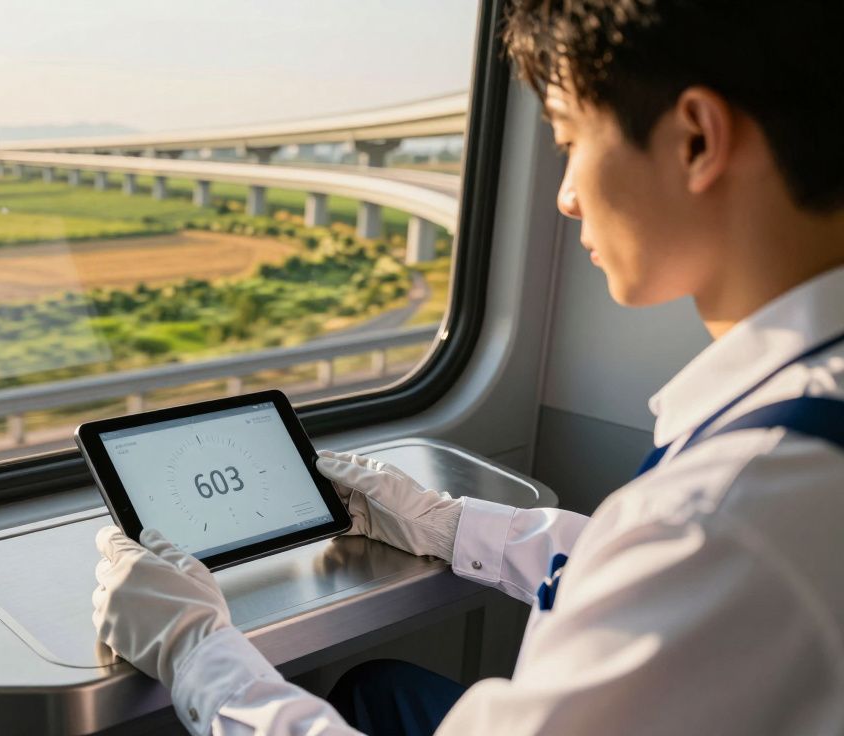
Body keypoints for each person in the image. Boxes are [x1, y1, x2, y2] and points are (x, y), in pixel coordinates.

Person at [91, 1, 844, 733]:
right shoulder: (789, 443)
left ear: (696, 141)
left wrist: (195, 652)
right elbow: (656, 582)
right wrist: (446, 525)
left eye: (570, 140)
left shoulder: (728, 517)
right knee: (377, 691)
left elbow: (683, 563)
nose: (568, 197)